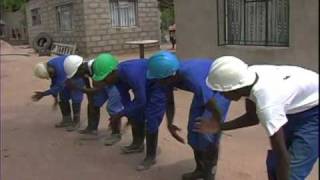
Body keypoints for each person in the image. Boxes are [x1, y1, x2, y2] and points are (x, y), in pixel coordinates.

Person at [196, 56, 319, 180]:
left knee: (291, 173)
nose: (220, 94)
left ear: (235, 89)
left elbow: (282, 155)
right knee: (275, 167)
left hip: (314, 113)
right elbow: (252, 118)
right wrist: (220, 127)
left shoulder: (267, 104)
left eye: (222, 91)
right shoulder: (249, 77)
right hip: (296, 107)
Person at [146, 51, 231, 180]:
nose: (159, 83)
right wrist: (170, 124)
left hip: (220, 91)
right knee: (193, 133)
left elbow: (212, 104)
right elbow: (169, 101)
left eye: (161, 80)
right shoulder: (167, 78)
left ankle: (209, 175)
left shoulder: (192, 77)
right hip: (203, 92)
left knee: (207, 136)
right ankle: (200, 170)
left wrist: (217, 124)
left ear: (171, 76)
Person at [92, 53, 167, 171]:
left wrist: (120, 114)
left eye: (105, 78)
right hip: (144, 86)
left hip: (158, 86)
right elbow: (125, 100)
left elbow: (141, 101)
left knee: (151, 119)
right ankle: (137, 144)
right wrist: (128, 113)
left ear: (112, 72)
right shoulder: (116, 79)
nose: (105, 82)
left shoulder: (132, 73)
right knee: (135, 113)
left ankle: (150, 157)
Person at [63, 57, 124, 145]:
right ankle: (92, 128)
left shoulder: (97, 67)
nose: (76, 77)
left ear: (80, 69)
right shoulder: (85, 71)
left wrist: (77, 87)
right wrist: (91, 103)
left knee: (112, 108)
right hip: (104, 84)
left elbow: (97, 89)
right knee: (95, 102)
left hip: (114, 84)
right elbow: (89, 89)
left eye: (75, 74)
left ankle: (116, 134)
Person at [32, 55, 85, 131]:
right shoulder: (50, 66)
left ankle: (76, 121)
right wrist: (55, 98)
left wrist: (43, 94)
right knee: (62, 96)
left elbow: (58, 87)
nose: (51, 76)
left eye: (51, 75)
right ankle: (67, 120)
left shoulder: (59, 69)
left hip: (77, 76)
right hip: (66, 78)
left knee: (76, 96)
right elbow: (54, 83)